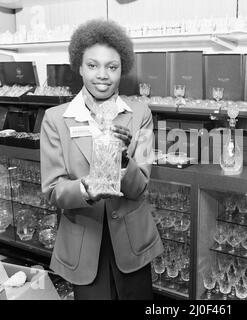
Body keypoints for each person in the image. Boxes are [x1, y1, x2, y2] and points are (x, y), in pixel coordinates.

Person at [40, 19, 164, 300]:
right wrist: (86, 189)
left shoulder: (140, 114)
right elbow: (52, 191)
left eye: (112, 66)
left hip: (133, 244)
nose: (103, 75)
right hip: (84, 245)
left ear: (122, 69)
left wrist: (123, 162)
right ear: (79, 67)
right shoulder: (56, 119)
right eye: (93, 65)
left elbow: (140, 187)